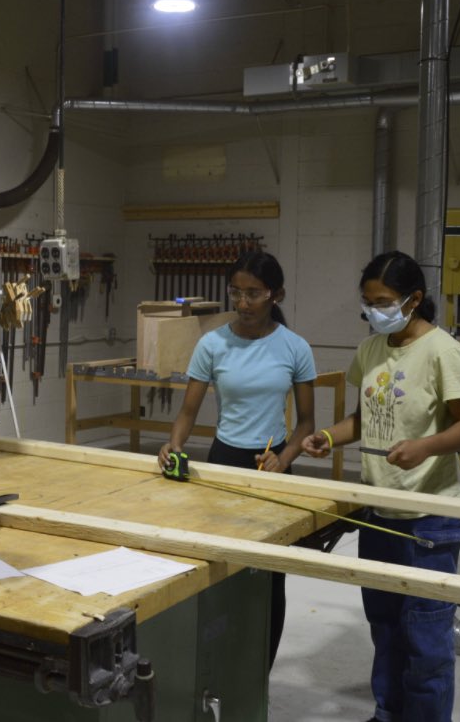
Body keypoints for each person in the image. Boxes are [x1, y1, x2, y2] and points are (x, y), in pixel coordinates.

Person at [300, 250, 460, 722]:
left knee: (425, 638)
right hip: (379, 511)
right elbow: (363, 419)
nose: (373, 311)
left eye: (382, 302)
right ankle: (387, 714)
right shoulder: (369, 350)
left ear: (413, 300)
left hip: (430, 518)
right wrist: (325, 437)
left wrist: (426, 446)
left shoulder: (444, 352)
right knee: (385, 627)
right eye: (367, 302)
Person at [157, 250, 316, 669]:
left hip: (272, 466)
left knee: (270, 574)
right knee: (218, 566)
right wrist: (174, 445)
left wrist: (285, 458)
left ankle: (258, 673)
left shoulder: (295, 348)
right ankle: (219, 666)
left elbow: (306, 424)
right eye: (236, 293)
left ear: (275, 295)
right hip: (223, 460)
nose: (244, 303)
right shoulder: (212, 343)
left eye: (254, 294)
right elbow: (188, 413)